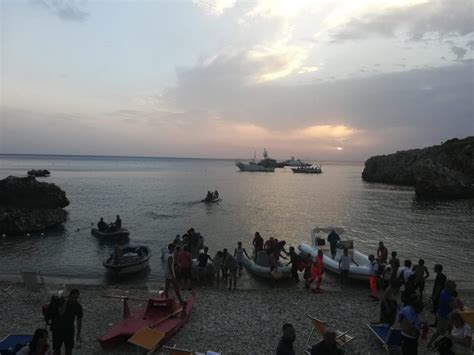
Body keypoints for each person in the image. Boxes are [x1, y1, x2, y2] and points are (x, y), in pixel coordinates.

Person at [50, 290, 83, 355]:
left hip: (69, 330)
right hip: (57, 329)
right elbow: (59, 312)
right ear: (69, 296)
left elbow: (79, 321)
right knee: (57, 349)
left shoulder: (78, 306)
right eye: (73, 297)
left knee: (69, 348)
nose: (74, 299)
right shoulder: (62, 302)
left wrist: (78, 334)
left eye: (76, 298)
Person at [427, 280, 457, 349]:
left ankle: (450, 343)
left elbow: (452, 299)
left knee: (451, 329)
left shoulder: (445, 291)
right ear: (449, 287)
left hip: (446, 315)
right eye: (454, 287)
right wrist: (456, 300)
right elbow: (453, 305)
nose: (454, 288)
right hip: (444, 316)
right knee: (439, 332)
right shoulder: (445, 295)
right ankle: (429, 344)